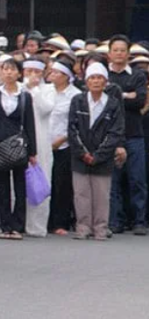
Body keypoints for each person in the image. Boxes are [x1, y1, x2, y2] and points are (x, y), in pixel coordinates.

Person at [70, 62, 125, 240]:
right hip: (80, 156)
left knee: (102, 195)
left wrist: (99, 155)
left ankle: (101, 228)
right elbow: (72, 129)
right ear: (86, 81)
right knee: (81, 194)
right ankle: (83, 227)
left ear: (105, 81)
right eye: (92, 78)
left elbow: (115, 132)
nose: (95, 81)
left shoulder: (113, 103)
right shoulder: (77, 100)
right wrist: (82, 153)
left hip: (103, 158)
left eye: (99, 78)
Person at [0, 56, 37, 239]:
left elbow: (30, 123)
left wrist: (33, 151)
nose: (8, 72)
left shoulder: (25, 95)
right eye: (5, 69)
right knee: (2, 186)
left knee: (20, 186)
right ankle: (5, 225)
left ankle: (18, 226)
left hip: (19, 144)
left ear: (19, 73)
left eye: (12, 69)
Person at [105, 36, 147, 235]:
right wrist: (126, 95)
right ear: (109, 53)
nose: (119, 53)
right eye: (116, 50)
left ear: (128, 53)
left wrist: (117, 95)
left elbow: (139, 101)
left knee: (137, 179)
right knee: (113, 181)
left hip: (134, 134)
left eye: (123, 50)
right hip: (111, 136)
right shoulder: (103, 75)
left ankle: (139, 220)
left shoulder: (138, 75)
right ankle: (115, 221)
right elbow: (106, 103)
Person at [37, 59, 81, 235]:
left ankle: (59, 222)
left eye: (56, 72)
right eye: (51, 71)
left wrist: (61, 140)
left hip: (64, 145)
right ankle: (42, 221)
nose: (51, 74)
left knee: (61, 184)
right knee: (43, 182)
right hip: (43, 142)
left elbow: (75, 123)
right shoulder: (44, 90)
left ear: (66, 76)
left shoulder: (75, 95)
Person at [23, 58, 52, 237]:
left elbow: (46, 109)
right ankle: (19, 222)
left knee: (40, 180)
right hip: (21, 139)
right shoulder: (18, 88)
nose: (32, 75)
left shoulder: (48, 89)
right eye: (29, 71)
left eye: (37, 72)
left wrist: (34, 89)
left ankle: (37, 226)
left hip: (41, 140)